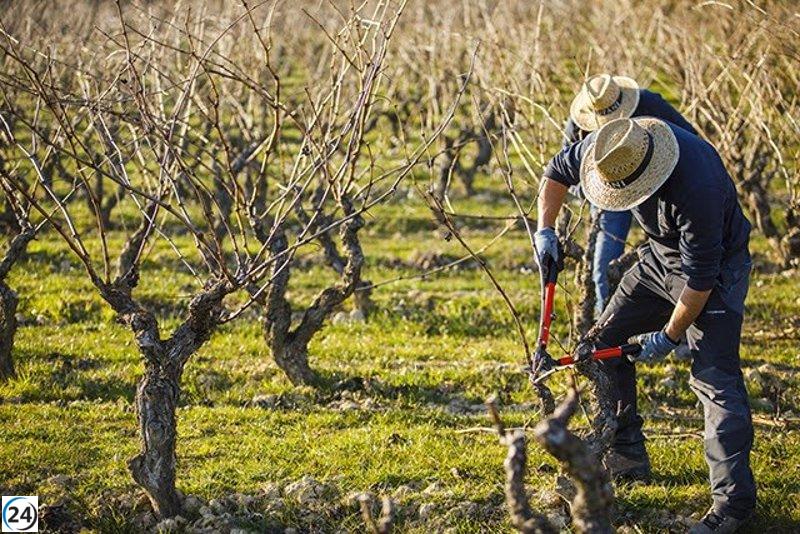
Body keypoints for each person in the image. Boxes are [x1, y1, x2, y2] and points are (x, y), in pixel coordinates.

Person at [534, 117, 755, 533]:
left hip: (716, 272)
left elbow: (700, 280)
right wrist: (544, 232)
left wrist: (669, 336)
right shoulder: (610, 148)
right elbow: (554, 172)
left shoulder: (697, 188)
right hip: (657, 258)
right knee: (603, 343)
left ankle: (734, 505)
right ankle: (628, 455)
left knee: (714, 380)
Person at [564, 74, 697, 317]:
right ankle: (605, 319)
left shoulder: (649, 104)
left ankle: (682, 321)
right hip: (611, 190)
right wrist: (595, 191)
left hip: (658, 184)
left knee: (678, 257)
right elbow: (565, 168)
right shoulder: (579, 122)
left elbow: (690, 138)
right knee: (604, 262)